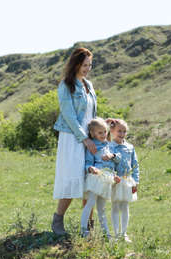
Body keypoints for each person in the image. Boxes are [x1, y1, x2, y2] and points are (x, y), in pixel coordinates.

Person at [51, 47, 98, 235]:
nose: (87, 68)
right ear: (76, 64)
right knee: (72, 178)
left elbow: (89, 114)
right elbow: (69, 115)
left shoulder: (89, 85)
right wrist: (84, 139)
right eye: (84, 65)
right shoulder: (66, 85)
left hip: (88, 136)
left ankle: (88, 225)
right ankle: (57, 221)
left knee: (90, 180)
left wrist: (101, 126)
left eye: (90, 65)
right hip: (72, 137)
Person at [80, 118, 121, 237]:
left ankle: (106, 233)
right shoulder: (93, 147)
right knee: (90, 202)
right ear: (92, 133)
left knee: (102, 208)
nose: (103, 135)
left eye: (105, 132)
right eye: (100, 133)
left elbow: (117, 159)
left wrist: (112, 155)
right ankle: (84, 230)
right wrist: (90, 168)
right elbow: (87, 163)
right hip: (96, 177)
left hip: (107, 179)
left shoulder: (109, 145)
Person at [107, 118, 140, 242]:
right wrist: (111, 177)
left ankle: (124, 233)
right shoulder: (110, 147)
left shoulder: (130, 147)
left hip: (127, 180)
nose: (122, 134)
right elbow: (108, 165)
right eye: (119, 131)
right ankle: (116, 234)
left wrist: (135, 181)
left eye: (124, 131)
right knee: (115, 205)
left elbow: (135, 165)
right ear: (112, 131)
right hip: (116, 180)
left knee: (125, 206)